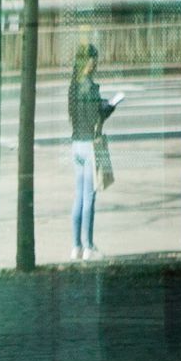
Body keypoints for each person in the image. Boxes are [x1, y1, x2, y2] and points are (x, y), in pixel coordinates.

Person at [67, 42, 118, 261]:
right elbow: (96, 115)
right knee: (89, 197)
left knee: (78, 196)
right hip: (89, 145)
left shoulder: (74, 85)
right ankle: (88, 247)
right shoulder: (89, 85)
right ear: (89, 61)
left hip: (76, 144)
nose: (96, 63)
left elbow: (76, 114)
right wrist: (111, 105)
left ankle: (75, 246)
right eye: (94, 59)